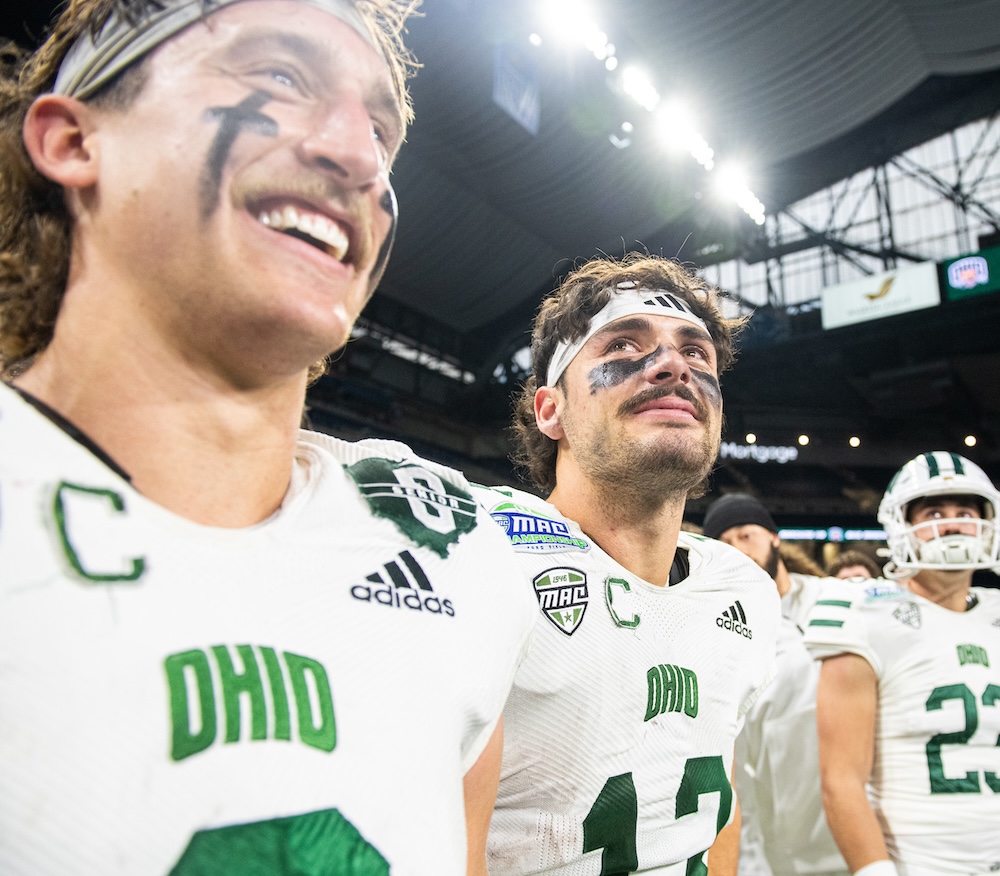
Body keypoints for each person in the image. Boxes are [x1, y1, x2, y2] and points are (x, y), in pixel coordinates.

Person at [0, 2, 537, 874]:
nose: (359, 155)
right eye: (280, 78)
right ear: (73, 139)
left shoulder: (456, 554)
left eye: (381, 129)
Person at [476, 254, 780, 875]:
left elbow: (714, 804)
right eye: (623, 344)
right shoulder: (482, 556)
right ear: (549, 409)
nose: (672, 364)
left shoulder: (744, 591)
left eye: (696, 353)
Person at [804, 451, 1000, 876]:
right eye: (933, 511)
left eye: (965, 511)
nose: (950, 525)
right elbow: (841, 781)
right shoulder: (864, 611)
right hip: (919, 865)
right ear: (901, 526)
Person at [702, 493, 848, 876]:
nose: (738, 549)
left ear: (775, 537)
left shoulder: (837, 599)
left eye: (746, 535)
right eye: (726, 543)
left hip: (860, 829)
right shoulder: (721, 633)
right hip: (784, 849)